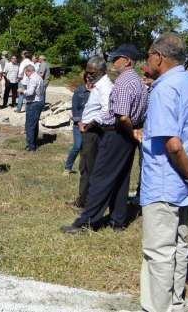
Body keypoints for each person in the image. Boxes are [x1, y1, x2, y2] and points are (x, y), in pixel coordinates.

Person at [139, 33, 188, 312]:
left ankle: (156, 307)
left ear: (158, 56)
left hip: (166, 181)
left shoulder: (165, 89)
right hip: (187, 181)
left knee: (158, 251)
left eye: (148, 55)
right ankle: (174, 302)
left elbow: (172, 142)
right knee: (179, 246)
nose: (146, 61)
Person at [61, 44, 148, 233]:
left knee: (101, 177)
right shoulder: (139, 82)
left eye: (117, 58)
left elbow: (122, 116)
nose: (113, 62)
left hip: (116, 132)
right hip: (126, 136)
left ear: (128, 61)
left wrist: (130, 129)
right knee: (121, 177)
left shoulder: (125, 82)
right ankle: (118, 220)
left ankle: (86, 222)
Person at [72, 56, 114, 208]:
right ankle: (83, 199)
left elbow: (107, 111)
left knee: (89, 168)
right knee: (85, 167)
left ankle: (87, 202)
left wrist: (90, 124)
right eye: (87, 71)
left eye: (92, 72)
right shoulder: (98, 85)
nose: (88, 75)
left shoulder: (105, 87)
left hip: (94, 132)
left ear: (102, 71)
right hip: (89, 131)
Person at [63, 73, 91, 175]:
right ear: (85, 78)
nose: (90, 79)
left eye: (92, 77)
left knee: (89, 148)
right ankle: (68, 167)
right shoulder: (79, 90)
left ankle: (86, 169)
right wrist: (79, 122)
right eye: (88, 77)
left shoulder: (97, 91)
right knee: (77, 146)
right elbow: (75, 107)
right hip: (79, 123)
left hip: (92, 124)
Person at [22, 65, 44, 151]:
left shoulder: (33, 79)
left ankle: (31, 146)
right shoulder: (39, 77)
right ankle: (34, 142)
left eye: (26, 73)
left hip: (33, 103)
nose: (26, 75)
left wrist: (22, 91)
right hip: (39, 101)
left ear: (28, 71)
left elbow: (30, 92)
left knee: (29, 125)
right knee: (35, 124)